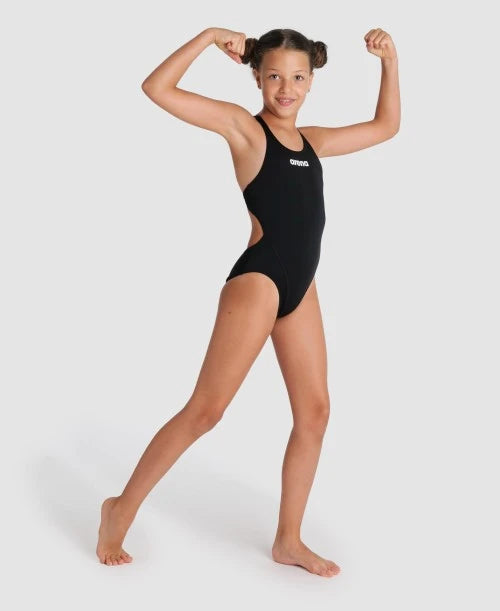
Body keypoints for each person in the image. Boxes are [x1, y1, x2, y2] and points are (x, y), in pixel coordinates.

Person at [96, 26, 400, 576]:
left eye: (298, 77)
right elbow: (156, 88)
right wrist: (209, 36)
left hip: (301, 286)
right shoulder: (245, 129)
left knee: (315, 413)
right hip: (259, 280)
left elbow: (386, 127)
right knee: (206, 410)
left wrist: (390, 62)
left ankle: (289, 540)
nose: (287, 88)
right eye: (275, 76)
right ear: (256, 76)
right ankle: (120, 508)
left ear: (312, 80)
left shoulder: (313, 142)